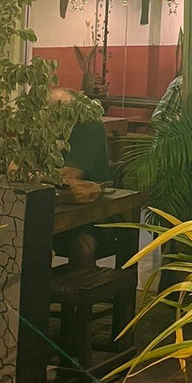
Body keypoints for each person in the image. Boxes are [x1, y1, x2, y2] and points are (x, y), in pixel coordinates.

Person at [50, 88, 113, 268]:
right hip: (54, 207)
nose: (58, 115)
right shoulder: (42, 127)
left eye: (64, 110)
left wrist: (33, 174)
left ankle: (83, 284)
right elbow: (14, 164)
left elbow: (68, 175)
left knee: (82, 245)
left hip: (93, 212)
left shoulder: (88, 125)